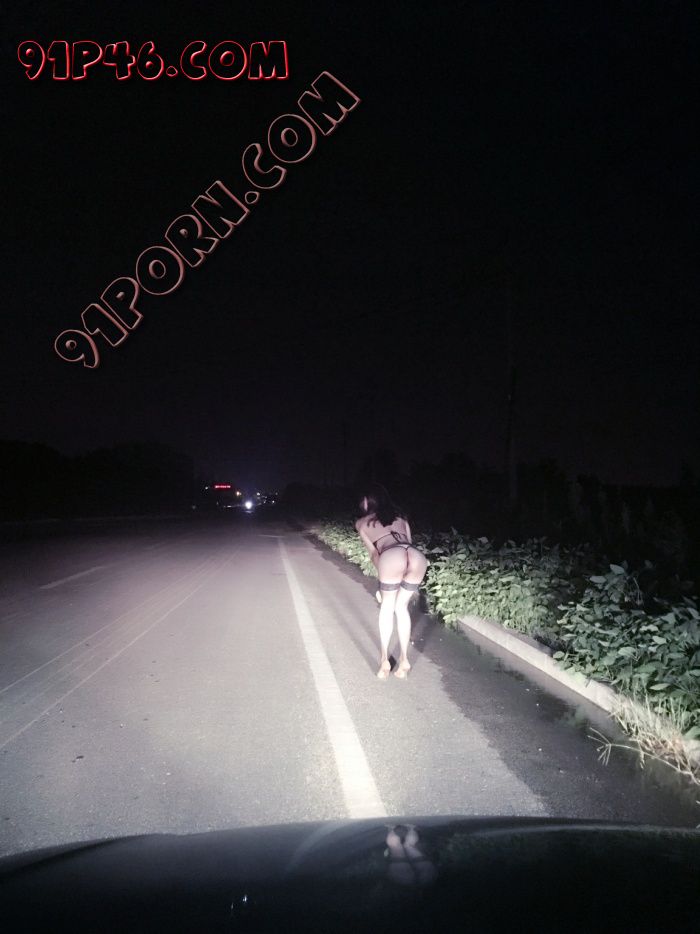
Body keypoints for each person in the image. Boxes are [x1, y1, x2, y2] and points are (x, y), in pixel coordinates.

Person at [355, 483, 428, 680]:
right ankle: (404, 660)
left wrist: (382, 583)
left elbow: (374, 555)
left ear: (368, 501)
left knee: (387, 608)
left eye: (363, 500)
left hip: (390, 556)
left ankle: (384, 661)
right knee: (401, 607)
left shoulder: (362, 523)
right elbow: (408, 544)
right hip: (415, 556)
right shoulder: (401, 518)